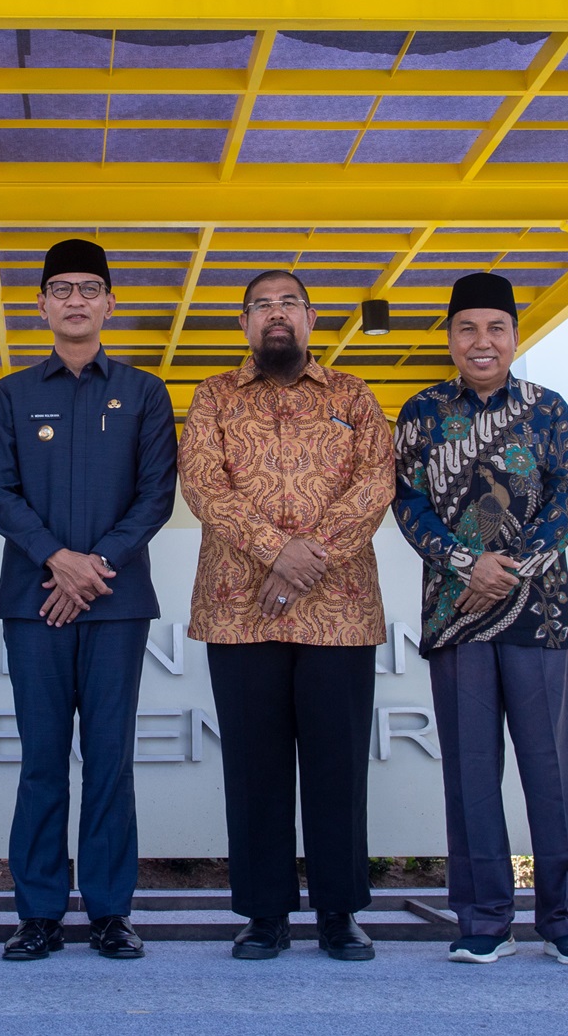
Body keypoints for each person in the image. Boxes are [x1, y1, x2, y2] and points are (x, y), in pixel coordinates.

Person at [177, 269, 394, 962]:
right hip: (240, 611)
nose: (277, 314)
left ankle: (339, 911)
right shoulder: (212, 397)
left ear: (310, 318)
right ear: (245, 322)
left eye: (289, 303)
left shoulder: (353, 395)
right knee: (254, 767)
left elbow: (377, 481)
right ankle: (264, 913)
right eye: (263, 305)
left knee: (338, 767)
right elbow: (202, 484)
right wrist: (278, 552)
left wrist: (310, 556)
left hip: (340, 611)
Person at [392, 270, 568, 967]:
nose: (481, 341)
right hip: (456, 615)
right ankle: (484, 919)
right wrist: (466, 564)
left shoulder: (548, 409)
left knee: (550, 769)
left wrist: (509, 570)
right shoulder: (422, 413)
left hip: (539, 616)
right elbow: (407, 503)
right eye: (467, 329)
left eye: (495, 329)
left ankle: (565, 918)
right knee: (471, 773)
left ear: (514, 336)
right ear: (450, 338)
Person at [0, 239, 178, 962]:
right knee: (40, 760)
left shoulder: (145, 393)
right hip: (34, 600)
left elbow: (156, 495)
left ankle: (109, 912)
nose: (75, 300)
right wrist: (58, 562)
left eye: (88, 288)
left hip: (115, 602)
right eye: (60, 289)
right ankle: (37, 913)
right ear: (40, 306)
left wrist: (95, 567)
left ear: (110, 304)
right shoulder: (10, 395)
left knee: (109, 760)